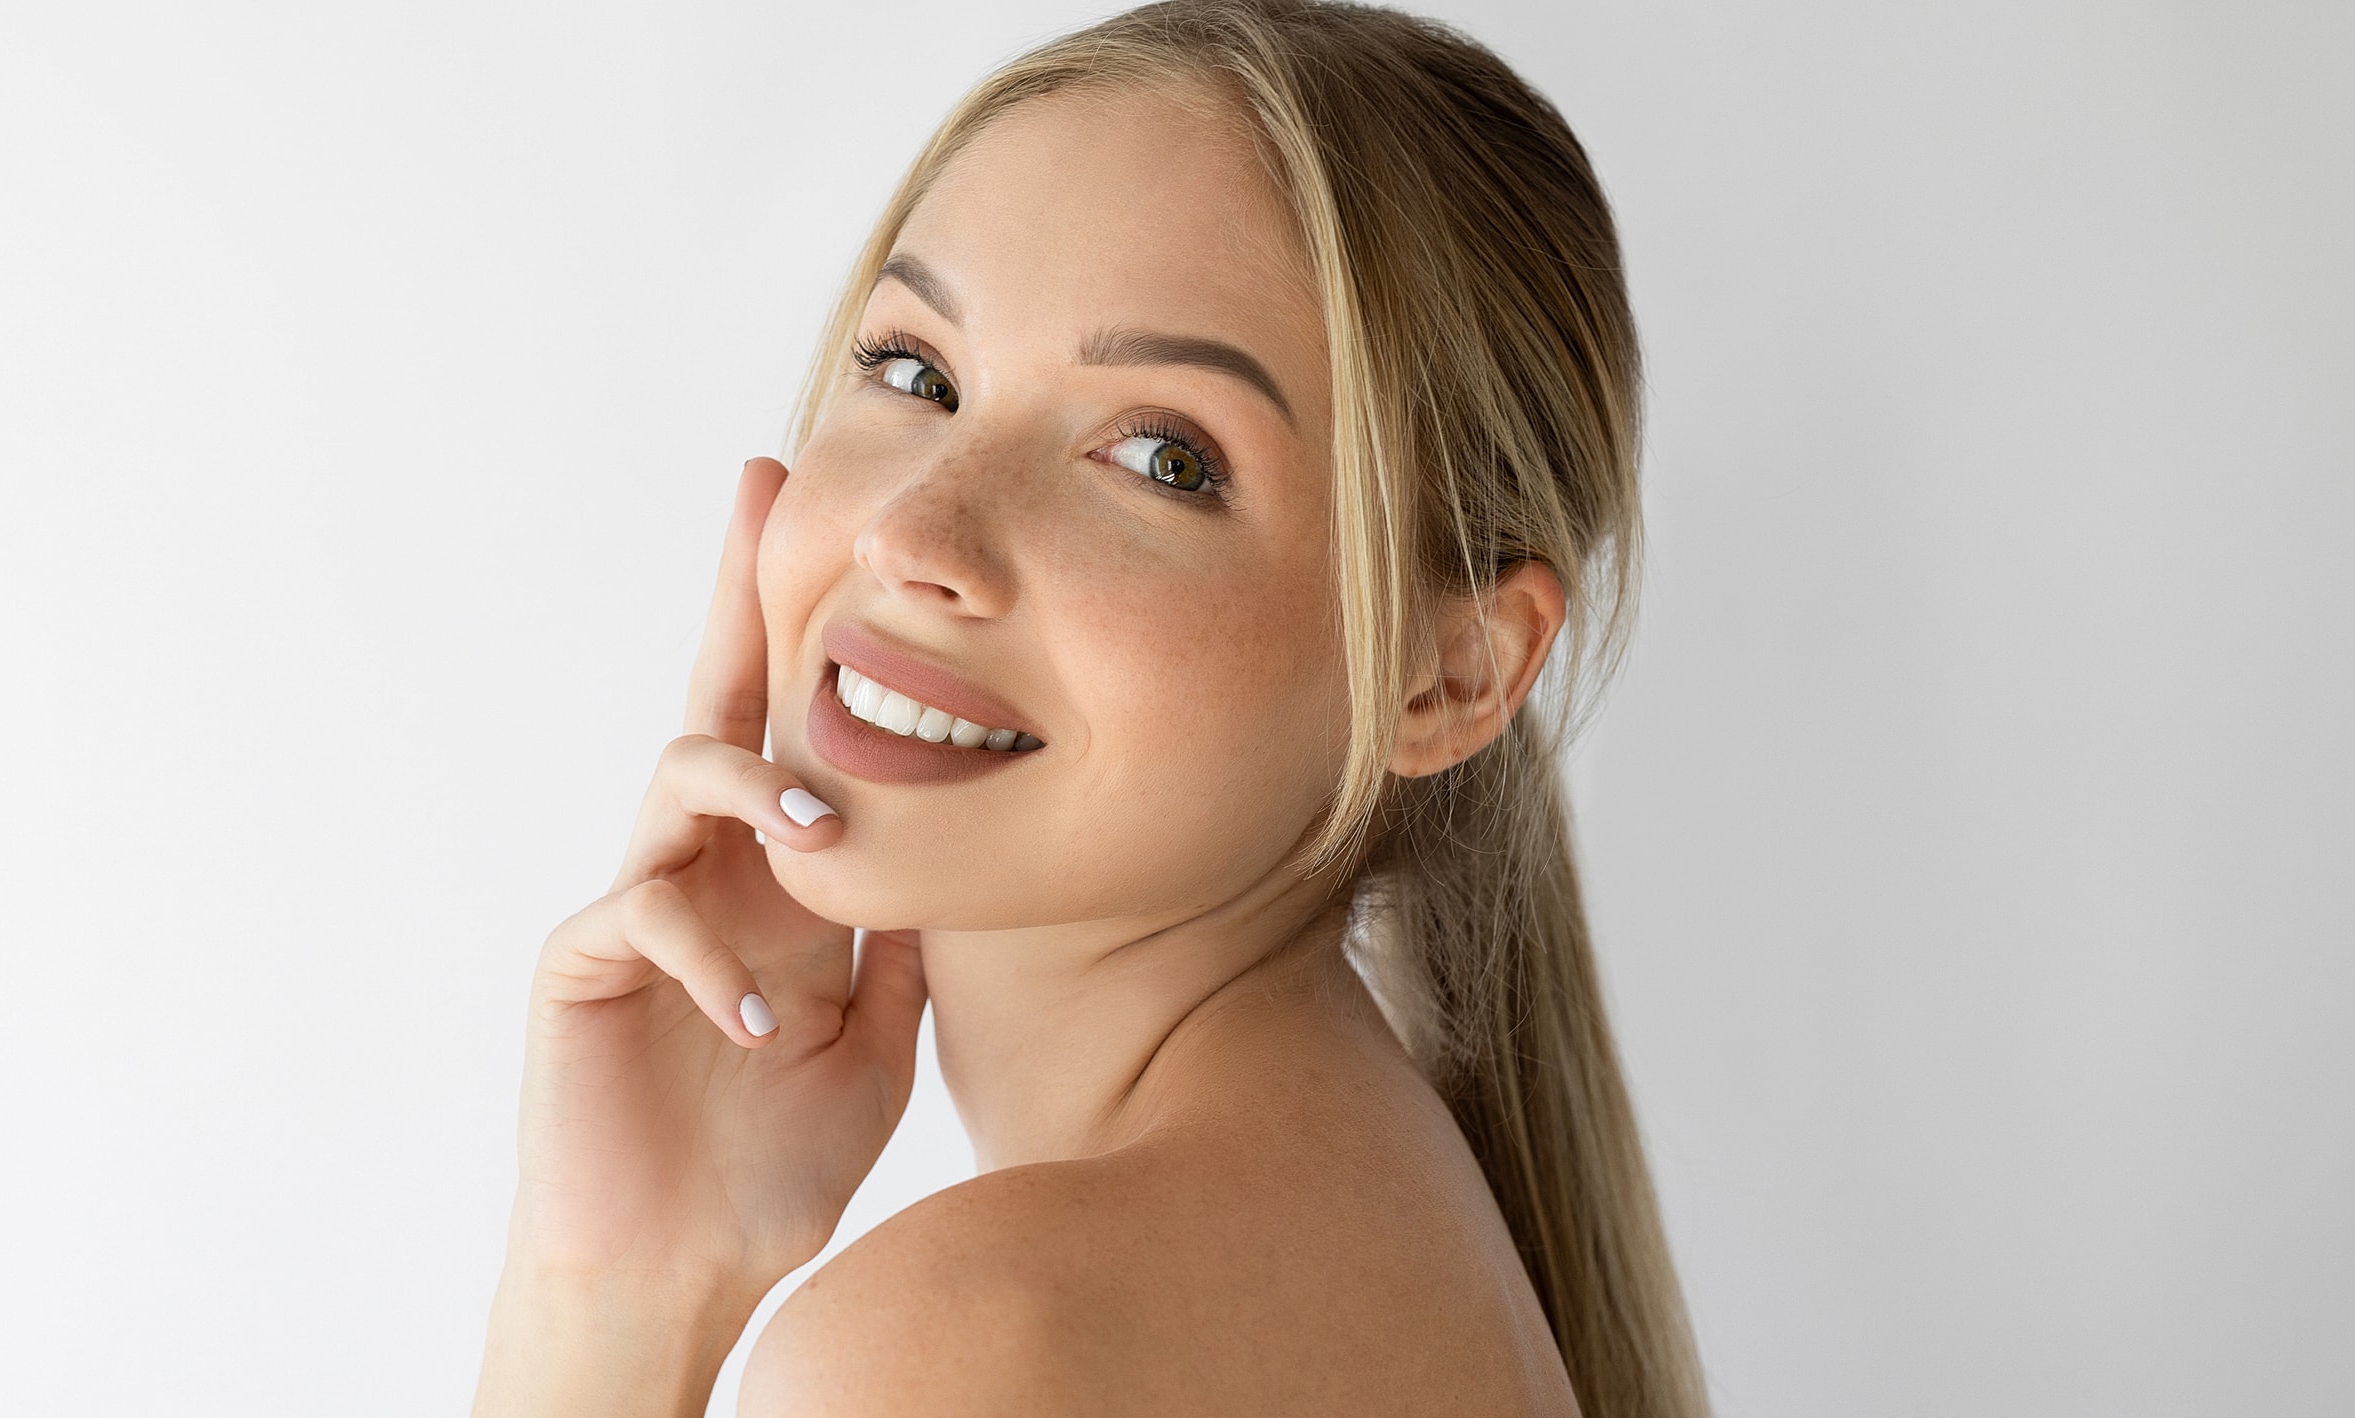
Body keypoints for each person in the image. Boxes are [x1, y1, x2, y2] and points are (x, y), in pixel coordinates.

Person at [473, 2, 1707, 1413]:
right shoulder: (1381, 1232)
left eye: (1161, 459)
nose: (913, 534)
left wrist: (598, 1329)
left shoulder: (973, 1350)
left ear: (1449, 673)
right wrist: (632, 1275)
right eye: (916, 372)